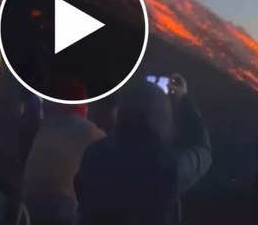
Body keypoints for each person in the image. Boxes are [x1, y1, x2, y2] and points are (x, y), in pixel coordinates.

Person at [74, 77, 212, 225]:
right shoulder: (168, 168)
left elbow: (80, 189)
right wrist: (184, 101)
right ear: (162, 121)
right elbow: (203, 151)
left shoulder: (95, 153)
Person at [23, 79, 106, 225]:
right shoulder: (91, 132)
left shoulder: (47, 125)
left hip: (27, 207)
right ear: (83, 104)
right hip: (63, 212)